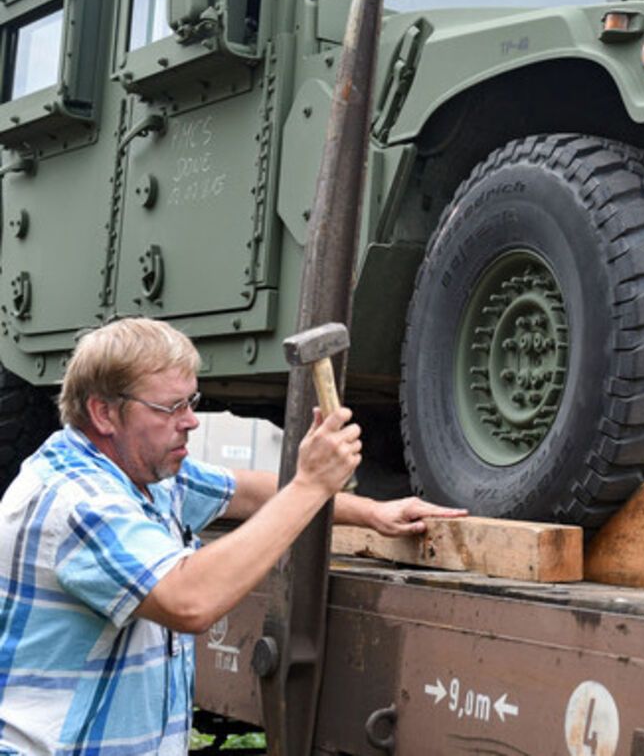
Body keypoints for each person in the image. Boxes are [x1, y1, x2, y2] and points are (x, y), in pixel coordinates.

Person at [0, 318, 465, 755]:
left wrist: (374, 512)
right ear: (104, 413)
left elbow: (242, 492)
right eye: (171, 407)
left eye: (191, 402)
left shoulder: (145, 473)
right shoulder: (77, 500)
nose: (190, 421)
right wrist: (309, 485)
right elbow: (190, 600)